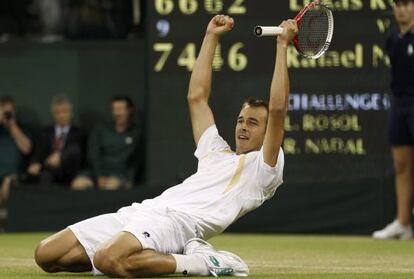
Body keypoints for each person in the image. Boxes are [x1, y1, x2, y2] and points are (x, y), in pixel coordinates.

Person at [34, 15, 297, 277]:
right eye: (241, 120)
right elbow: (196, 97)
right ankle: (166, 255)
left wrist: (281, 46)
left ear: (268, 132)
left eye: (253, 123)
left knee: (107, 258)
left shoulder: (264, 169)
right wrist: (210, 37)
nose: (242, 127)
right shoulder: (215, 152)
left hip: (178, 224)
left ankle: (204, 264)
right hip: (144, 211)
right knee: (46, 255)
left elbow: (277, 109)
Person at [373, 0, 414, 240]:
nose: (402, 9)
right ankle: (403, 223)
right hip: (399, 105)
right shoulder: (391, 40)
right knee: (401, 166)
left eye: (407, 4)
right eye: (398, 4)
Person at [71, 95, 142, 190]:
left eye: (120, 109)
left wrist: (130, 179)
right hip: (95, 173)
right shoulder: (100, 129)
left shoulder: (136, 132)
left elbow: (136, 160)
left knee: (111, 186)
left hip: (120, 175)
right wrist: (99, 176)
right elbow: (93, 153)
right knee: (78, 184)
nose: (117, 113)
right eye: (114, 109)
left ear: (129, 110)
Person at [27, 95, 84, 186]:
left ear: (71, 113)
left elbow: (77, 152)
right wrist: (34, 163)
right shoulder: (45, 133)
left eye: (64, 111)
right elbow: (38, 152)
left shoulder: (78, 133)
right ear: (53, 114)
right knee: (43, 177)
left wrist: (61, 156)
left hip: (70, 171)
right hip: (48, 170)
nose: (61, 115)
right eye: (58, 112)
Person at [0, 96, 32, 205]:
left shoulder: (22, 129)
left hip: (12, 177)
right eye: (4, 111)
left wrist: (12, 125)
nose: (6, 115)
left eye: (9, 112)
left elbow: (26, 148)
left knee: (9, 183)